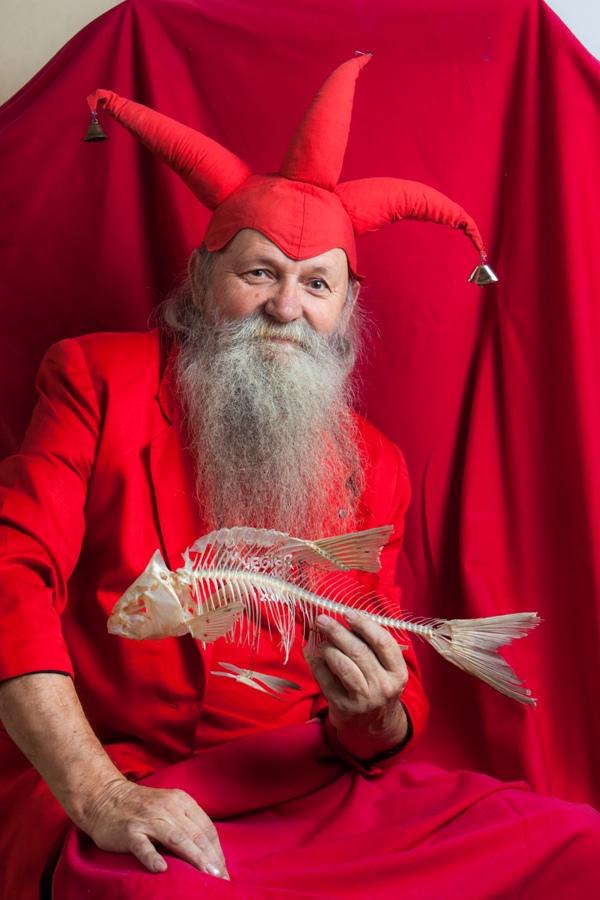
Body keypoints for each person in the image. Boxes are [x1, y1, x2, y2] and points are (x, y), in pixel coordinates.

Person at [0, 55, 599, 900]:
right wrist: (98, 792)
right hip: (128, 780)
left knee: (579, 846)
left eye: (317, 283)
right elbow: (9, 576)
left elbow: (385, 710)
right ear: (202, 280)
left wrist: (375, 711)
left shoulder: (374, 462)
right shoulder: (95, 380)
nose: (287, 309)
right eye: (260, 273)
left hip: (310, 786)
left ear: (345, 308)